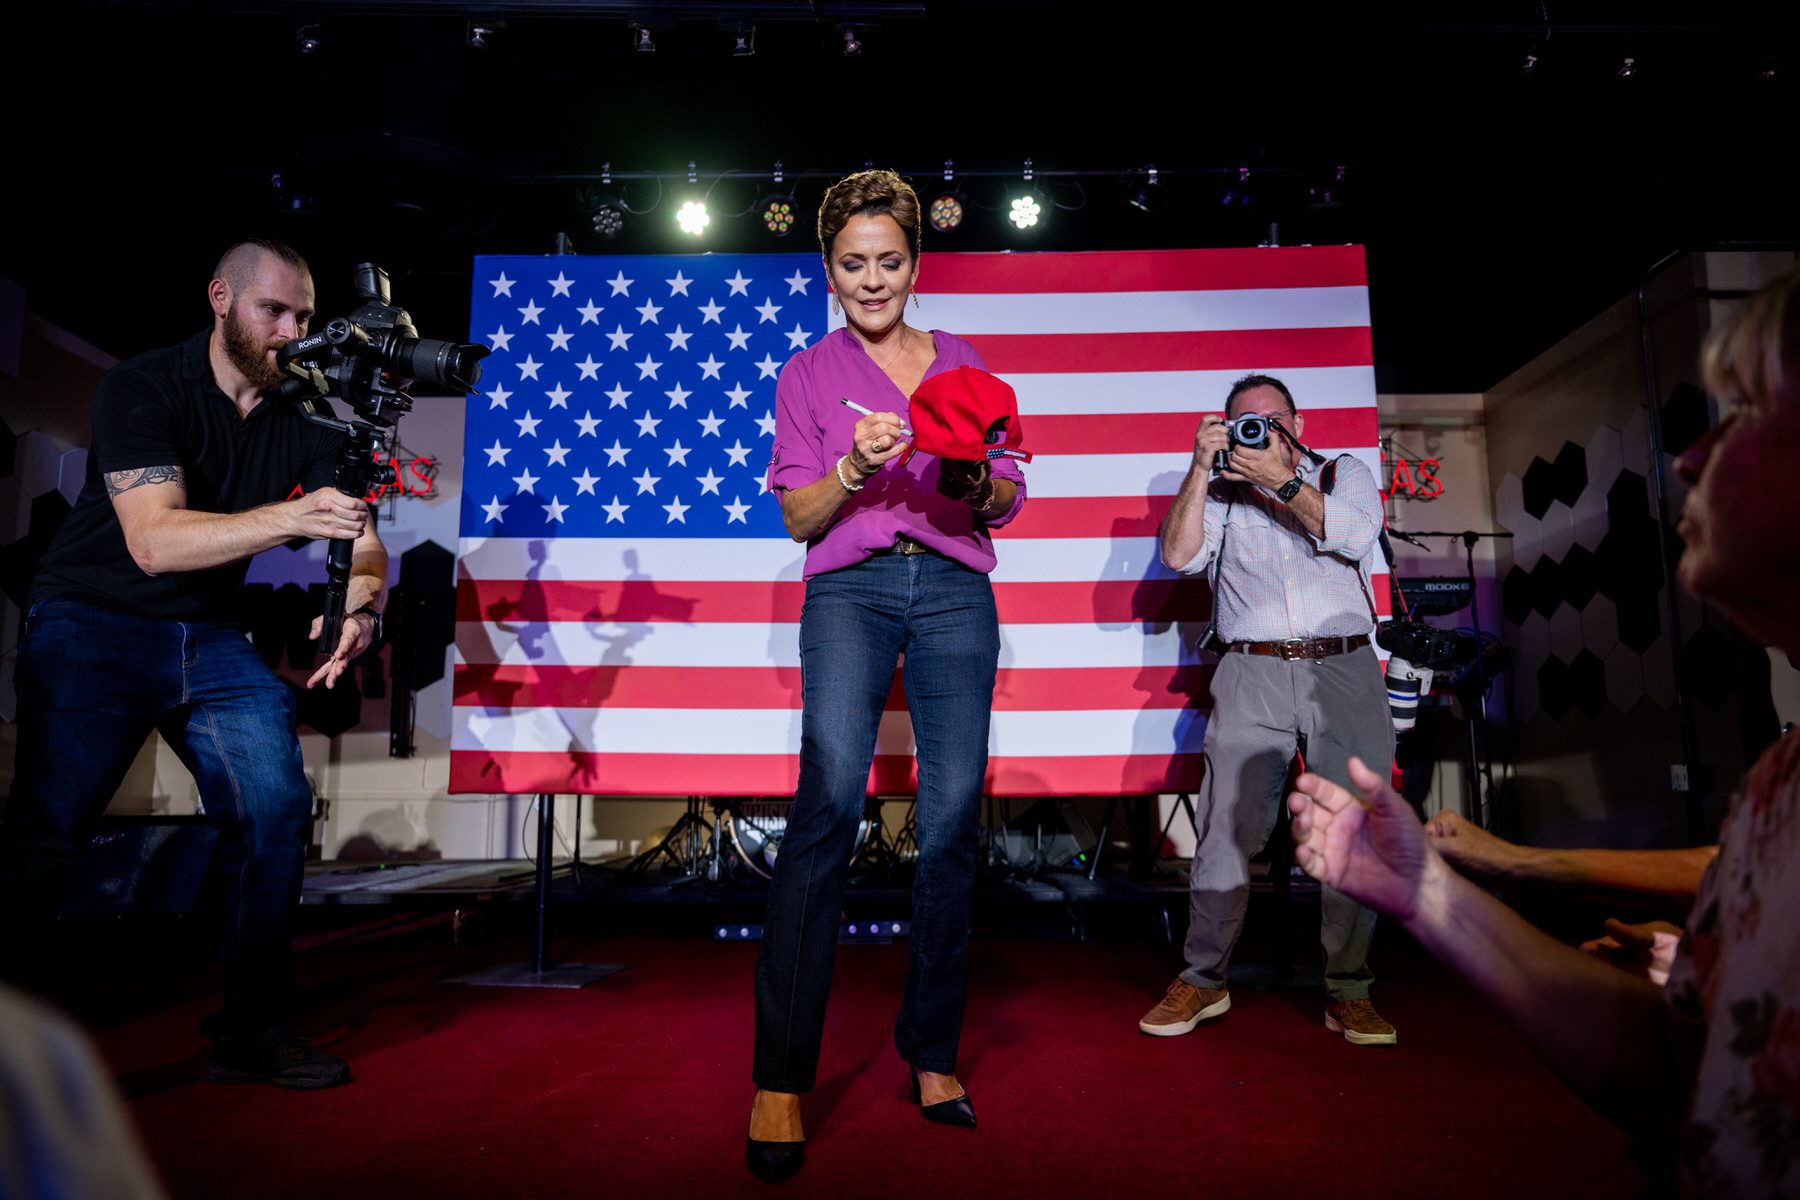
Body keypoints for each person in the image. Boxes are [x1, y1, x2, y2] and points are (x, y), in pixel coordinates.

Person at [1286, 265, 1800, 1196]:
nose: (1690, 459)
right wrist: (1435, 897)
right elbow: (1688, 1074)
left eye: (1748, 413)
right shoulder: (1779, 780)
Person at [0, 238, 384, 1090]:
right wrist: (291, 521)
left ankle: (252, 1030)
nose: (291, 330)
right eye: (273, 310)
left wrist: (359, 604)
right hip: (92, 621)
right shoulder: (143, 384)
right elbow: (153, 542)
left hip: (209, 637)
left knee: (275, 810)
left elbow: (365, 541)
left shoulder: (309, 420)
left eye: (305, 317)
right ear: (221, 299)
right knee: (48, 838)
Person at [746, 169, 1028, 1183]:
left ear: (917, 264)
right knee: (826, 809)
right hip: (851, 593)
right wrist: (857, 469)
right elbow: (798, 517)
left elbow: (1008, 494)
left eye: (891, 261)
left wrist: (974, 478)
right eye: (854, 263)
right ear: (828, 270)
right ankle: (780, 1078)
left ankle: (934, 1055)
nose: (874, 280)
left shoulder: (962, 360)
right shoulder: (805, 374)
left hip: (955, 593)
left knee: (952, 819)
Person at [1138, 374, 1399, 1045]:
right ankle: (1203, 977)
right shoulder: (1222, 492)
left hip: (1343, 667)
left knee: (1352, 832)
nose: (1258, 431)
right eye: (1241, 422)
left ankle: (1348, 987)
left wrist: (1282, 482)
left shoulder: (1345, 472)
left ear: (1298, 424)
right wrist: (1202, 469)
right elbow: (1177, 555)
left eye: (1270, 419)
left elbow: (1354, 535)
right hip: (1251, 666)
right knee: (1226, 830)